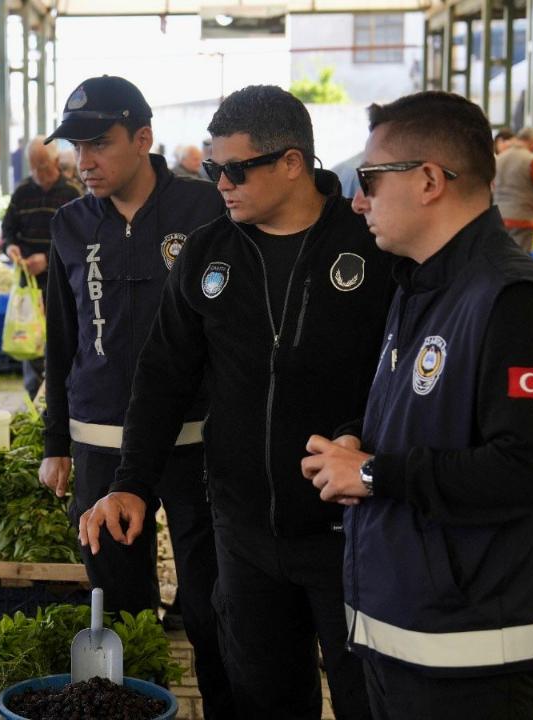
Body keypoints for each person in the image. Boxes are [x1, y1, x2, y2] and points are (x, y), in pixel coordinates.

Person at [80, 85, 396, 719]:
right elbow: (164, 374)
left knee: (370, 701)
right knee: (263, 700)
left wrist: (362, 438)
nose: (221, 183)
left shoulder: (371, 248)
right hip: (244, 533)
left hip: (351, 534)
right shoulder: (207, 253)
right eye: (211, 169)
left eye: (235, 169)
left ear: (292, 162)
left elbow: (402, 378)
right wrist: (133, 483)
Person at [302, 90, 533, 720]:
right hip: (405, 630)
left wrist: (374, 474)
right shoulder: (419, 283)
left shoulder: (515, 301)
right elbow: (419, 417)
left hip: (471, 651)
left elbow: (527, 469)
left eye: (370, 179)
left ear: (429, 180)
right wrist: (355, 442)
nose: (357, 198)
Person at [41, 74, 234, 720]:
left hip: (195, 441)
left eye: (99, 143)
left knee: (211, 606)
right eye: (76, 147)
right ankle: (132, 708)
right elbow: (59, 341)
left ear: (143, 138)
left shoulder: (205, 211)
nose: (84, 161)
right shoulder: (69, 224)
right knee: (121, 607)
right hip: (99, 445)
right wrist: (55, 443)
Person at [1, 136, 81, 398]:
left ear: (56, 161)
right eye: (34, 168)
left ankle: (63, 392)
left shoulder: (72, 192)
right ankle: (35, 396)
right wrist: (11, 248)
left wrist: (48, 259)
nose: (40, 173)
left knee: (62, 334)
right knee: (31, 339)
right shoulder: (22, 192)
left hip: (63, 280)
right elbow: (8, 231)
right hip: (30, 281)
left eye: (44, 166)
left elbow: (81, 238)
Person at [494, 127, 533, 252]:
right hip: (523, 218)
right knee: (519, 261)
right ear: (532, 141)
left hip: (498, 216)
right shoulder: (532, 160)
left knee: (501, 257)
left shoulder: (499, 159)